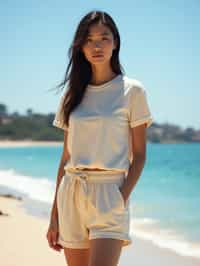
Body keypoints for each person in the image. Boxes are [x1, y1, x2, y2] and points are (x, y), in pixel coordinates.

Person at [46, 10, 153, 266]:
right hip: (71, 192)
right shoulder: (72, 95)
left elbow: (139, 156)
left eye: (104, 38)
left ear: (115, 43)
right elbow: (66, 157)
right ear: (80, 47)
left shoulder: (132, 91)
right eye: (89, 39)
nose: (97, 46)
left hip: (110, 192)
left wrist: (121, 196)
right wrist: (55, 214)